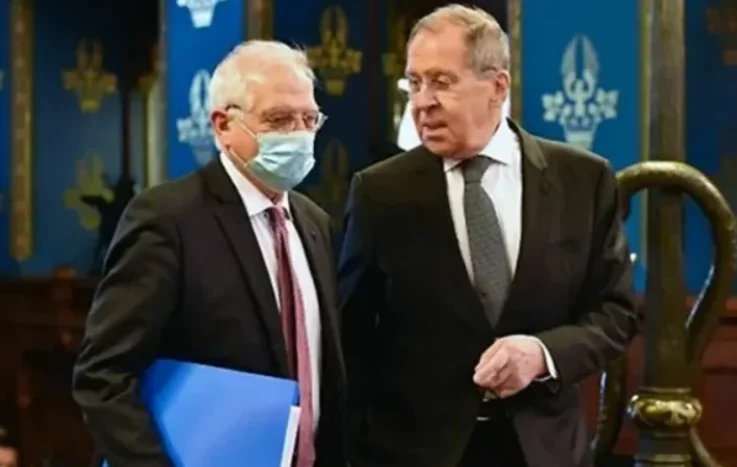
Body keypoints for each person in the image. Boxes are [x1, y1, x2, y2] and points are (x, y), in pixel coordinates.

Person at [338, 5, 638, 467]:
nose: (422, 102)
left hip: (543, 451)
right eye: (414, 83)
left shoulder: (582, 179)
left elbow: (616, 313)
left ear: (498, 87)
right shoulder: (379, 192)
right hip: (416, 452)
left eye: (441, 82)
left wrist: (542, 354)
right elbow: (351, 336)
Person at [72, 40, 347, 467]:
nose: (299, 133)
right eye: (279, 119)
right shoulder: (167, 219)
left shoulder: (316, 223)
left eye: (309, 119)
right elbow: (103, 377)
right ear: (223, 125)